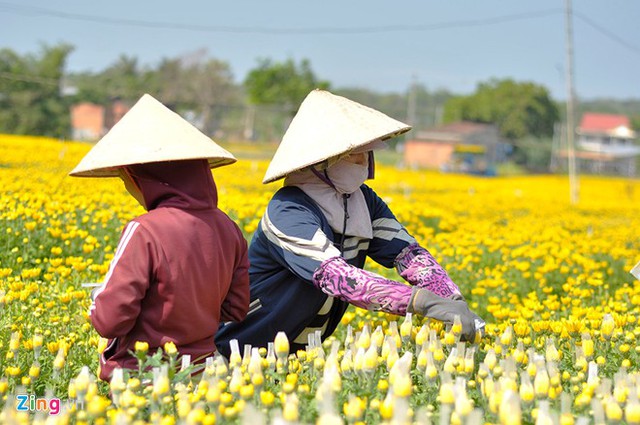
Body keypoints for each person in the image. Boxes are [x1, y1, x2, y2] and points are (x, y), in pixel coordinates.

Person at [215, 89, 484, 357]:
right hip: (243, 348)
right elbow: (338, 277)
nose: (365, 163)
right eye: (355, 154)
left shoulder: (362, 201)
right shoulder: (288, 210)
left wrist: (450, 297)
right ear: (323, 161)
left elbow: (408, 254)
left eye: (368, 153)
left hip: (300, 354)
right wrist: (421, 302)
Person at [70, 94, 250, 381]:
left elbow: (110, 320)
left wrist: (97, 297)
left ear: (139, 177)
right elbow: (236, 308)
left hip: (144, 375)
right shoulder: (229, 228)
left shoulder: (145, 230)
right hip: (206, 374)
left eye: (125, 179)